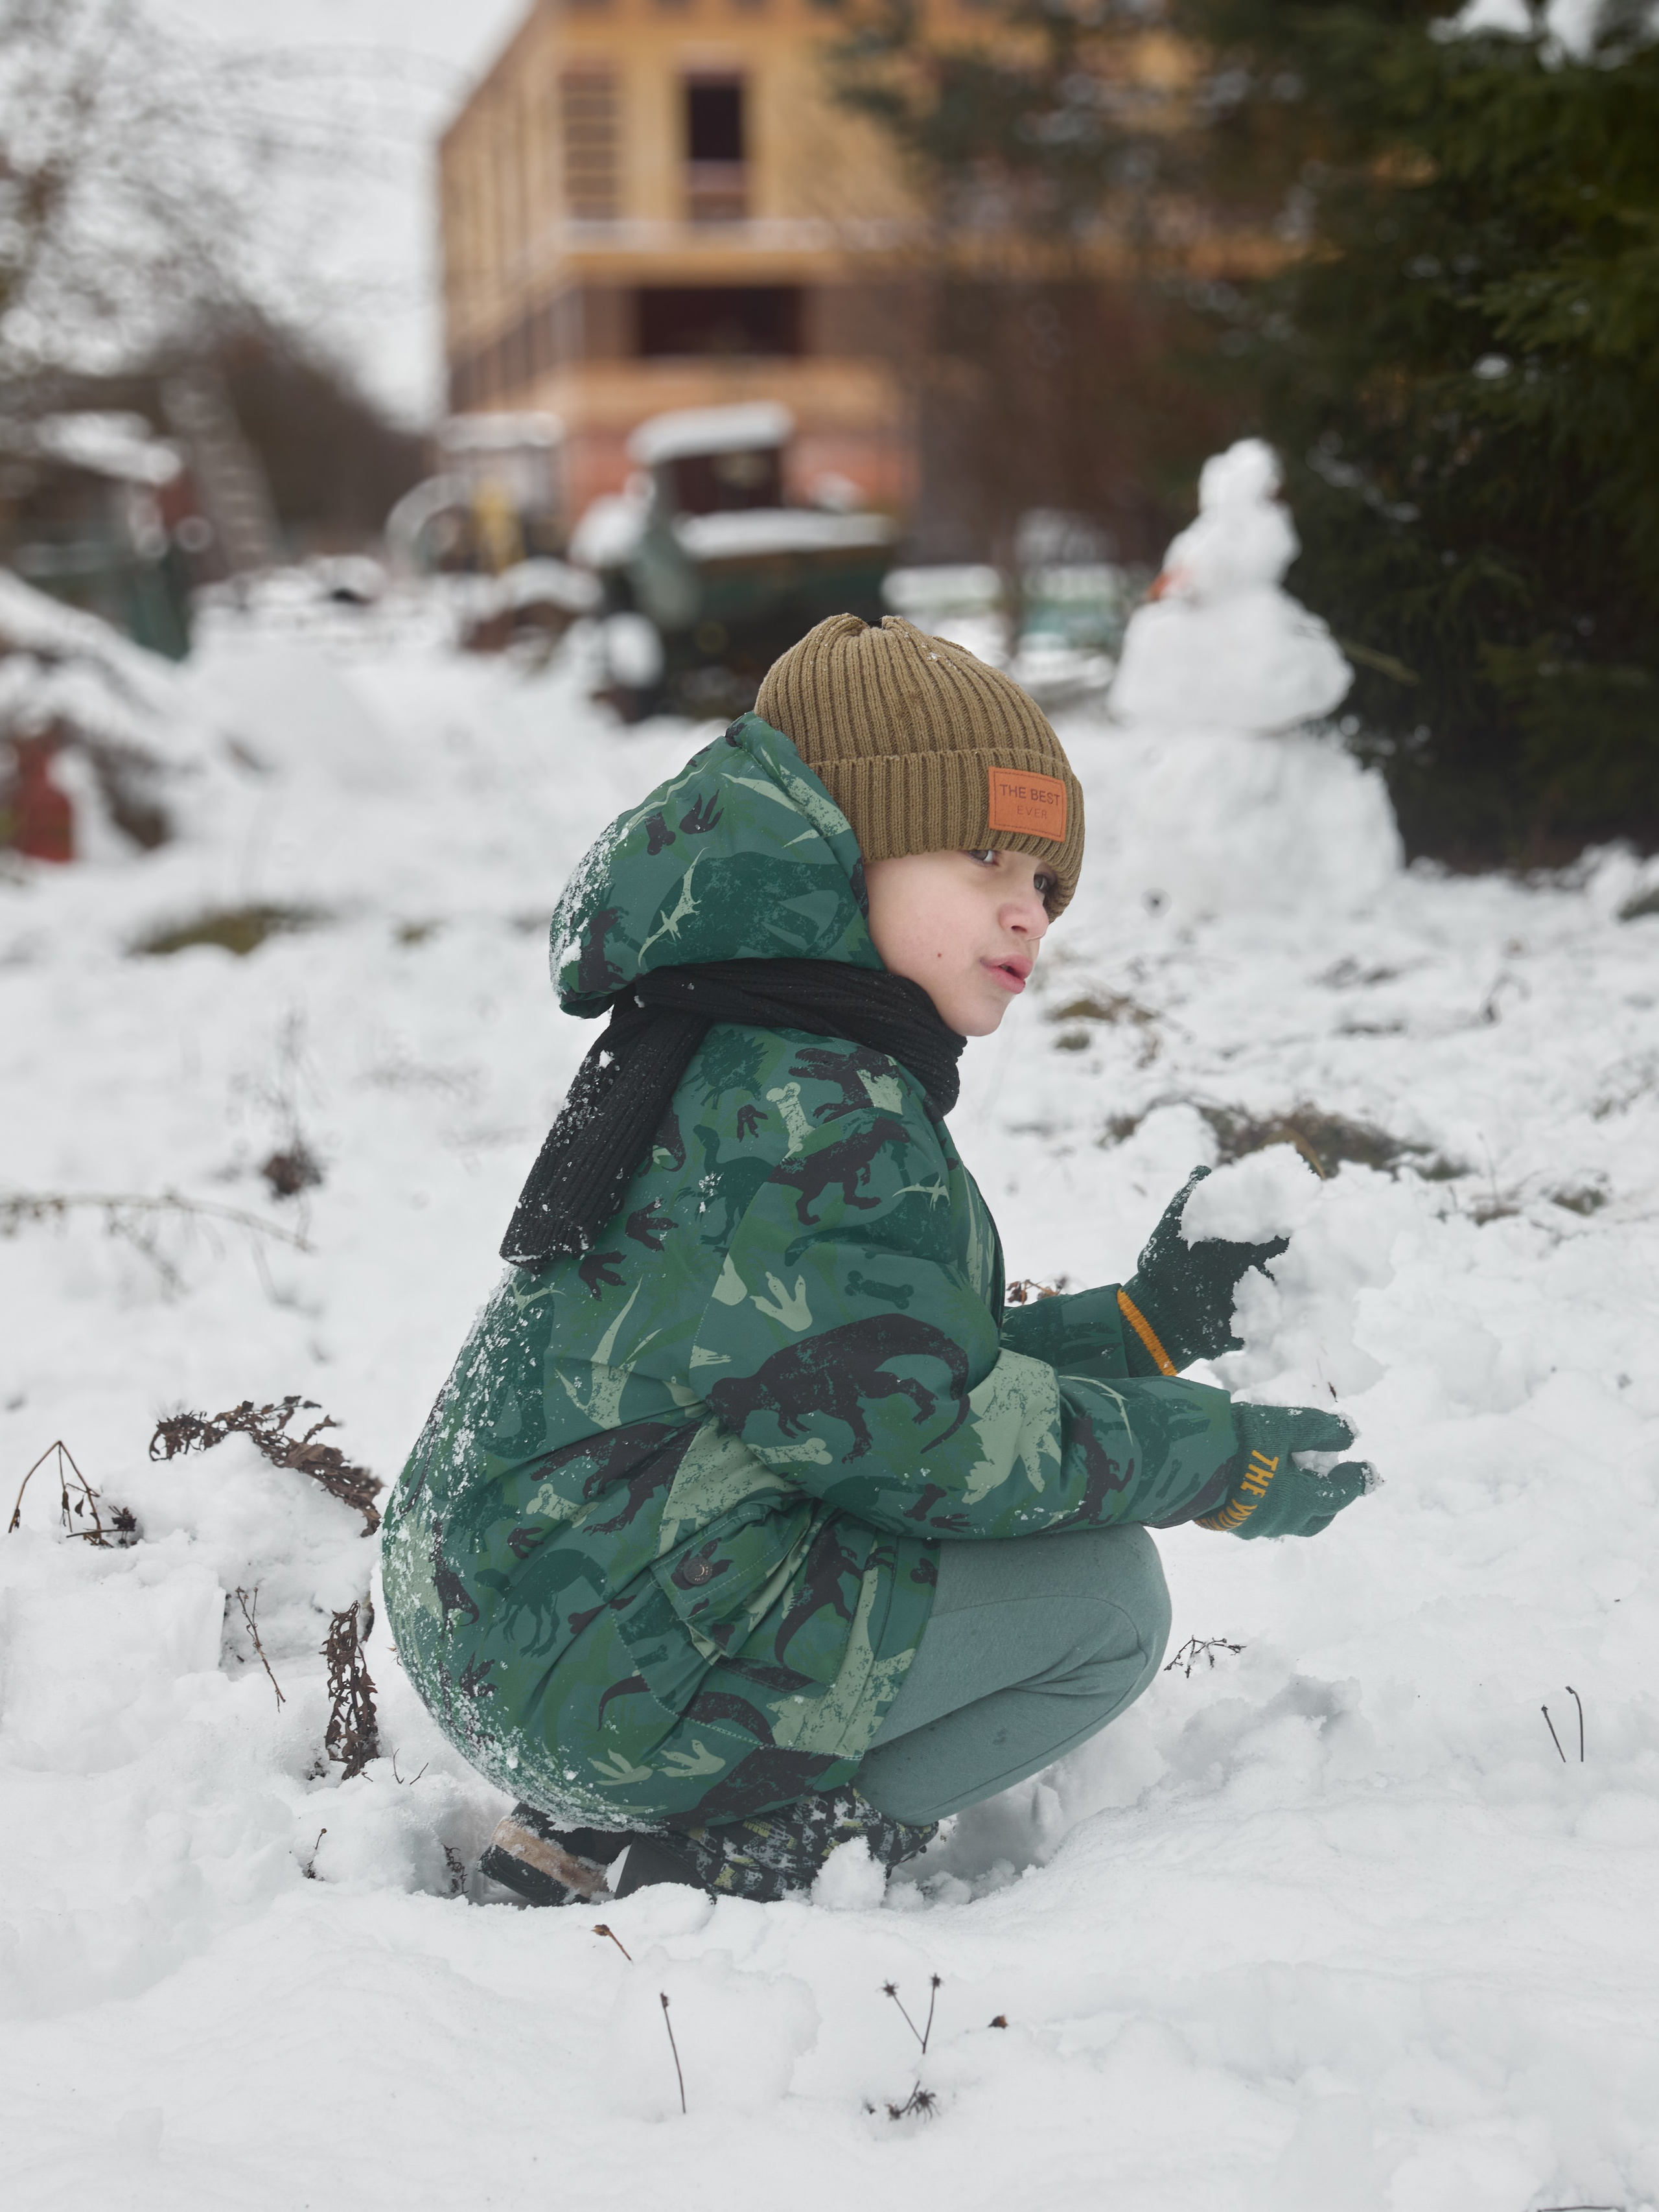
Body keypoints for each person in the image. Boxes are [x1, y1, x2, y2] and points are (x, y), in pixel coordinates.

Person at [381, 613, 1368, 1907]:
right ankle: (746, 1847)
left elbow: (859, 1377)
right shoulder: (820, 1108)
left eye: (1048, 884)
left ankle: (595, 1811)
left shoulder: (731, 1039)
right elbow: (927, 1446)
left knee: (930, 1531)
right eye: (984, 857)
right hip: (596, 1665)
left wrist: (1139, 1328)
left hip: (520, 1619)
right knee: (1103, 1604)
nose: (1026, 911)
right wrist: (1213, 1459)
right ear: (843, 843)